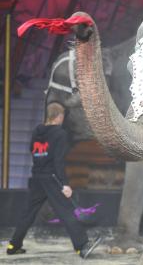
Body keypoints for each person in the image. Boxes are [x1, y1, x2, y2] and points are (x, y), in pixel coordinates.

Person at [6, 102, 102, 259]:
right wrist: (65, 184)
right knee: (66, 211)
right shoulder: (60, 134)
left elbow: (33, 150)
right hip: (52, 179)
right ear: (59, 116)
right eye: (62, 116)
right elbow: (58, 161)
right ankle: (82, 247)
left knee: (28, 213)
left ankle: (13, 246)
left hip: (37, 177)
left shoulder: (37, 131)